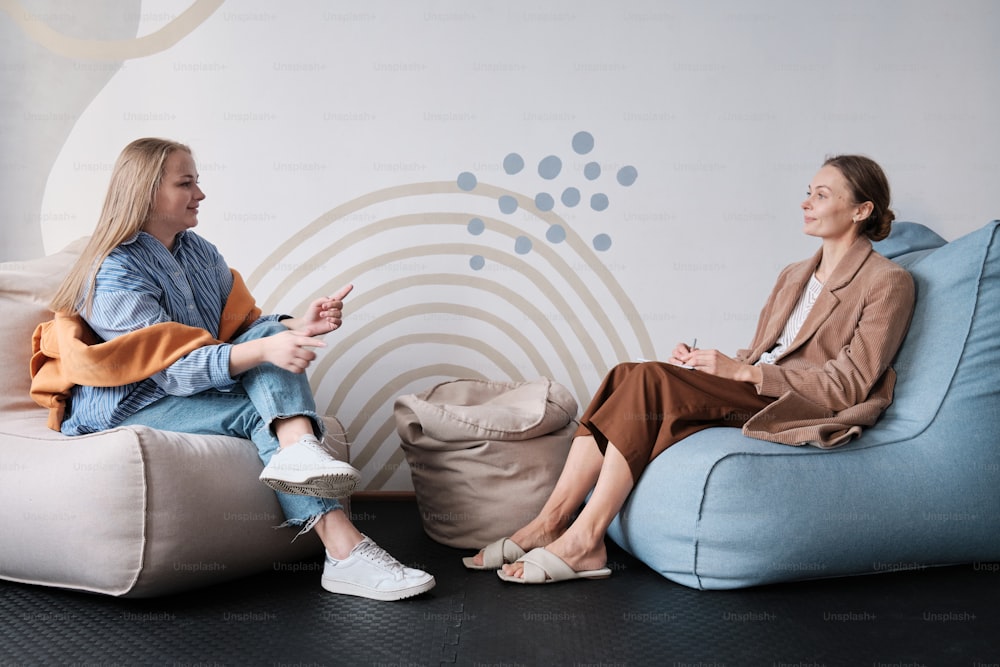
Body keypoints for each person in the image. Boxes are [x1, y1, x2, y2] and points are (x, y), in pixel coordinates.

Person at [465, 155, 916, 584]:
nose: (805, 203)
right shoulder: (794, 273)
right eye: (808, 192)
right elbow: (764, 352)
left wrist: (744, 375)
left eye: (821, 195)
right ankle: (549, 522)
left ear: (861, 209)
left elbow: (851, 385)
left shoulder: (888, 281)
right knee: (628, 373)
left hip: (798, 402)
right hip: (755, 384)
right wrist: (717, 365)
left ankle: (585, 540)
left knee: (649, 380)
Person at [36, 137, 435, 601]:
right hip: (131, 402)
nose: (200, 195)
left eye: (197, 182)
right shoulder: (112, 273)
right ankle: (342, 546)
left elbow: (245, 327)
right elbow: (174, 370)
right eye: (186, 184)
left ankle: (308, 471)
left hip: (186, 387)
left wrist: (296, 325)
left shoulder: (198, 251)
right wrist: (268, 350)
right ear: (145, 192)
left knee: (271, 368)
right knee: (261, 411)